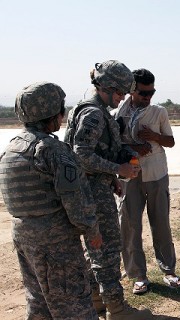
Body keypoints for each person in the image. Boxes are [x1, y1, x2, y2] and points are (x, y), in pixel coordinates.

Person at [0, 82, 103, 319]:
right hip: (56, 244)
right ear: (53, 113)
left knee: (39, 302)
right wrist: (92, 230)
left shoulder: (12, 149)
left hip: (24, 238)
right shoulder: (52, 150)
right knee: (74, 304)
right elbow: (74, 199)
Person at [64, 60, 152, 319]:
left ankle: (97, 302)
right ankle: (117, 309)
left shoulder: (90, 109)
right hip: (93, 193)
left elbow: (98, 149)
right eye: (120, 93)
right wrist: (117, 169)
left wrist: (114, 170)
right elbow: (80, 155)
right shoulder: (93, 113)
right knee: (108, 251)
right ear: (107, 87)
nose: (122, 98)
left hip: (92, 187)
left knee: (95, 249)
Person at [111, 68, 180, 294]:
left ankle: (168, 270)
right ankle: (138, 275)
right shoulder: (117, 114)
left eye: (151, 92)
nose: (147, 97)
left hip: (156, 174)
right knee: (130, 225)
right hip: (130, 176)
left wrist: (154, 137)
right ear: (132, 90)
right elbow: (113, 146)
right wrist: (133, 147)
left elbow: (170, 141)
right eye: (143, 93)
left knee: (160, 222)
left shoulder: (158, 112)